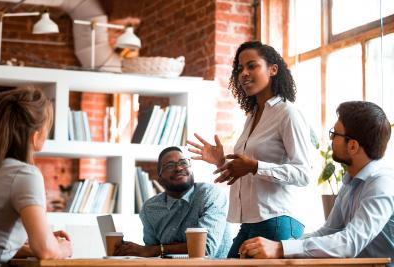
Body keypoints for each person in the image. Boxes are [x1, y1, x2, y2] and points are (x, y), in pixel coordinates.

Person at [187, 41, 313, 258]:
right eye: (239, 69)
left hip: (278, 220)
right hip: (251, 222)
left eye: (252, 66)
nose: (244, 73)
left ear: (273, 69)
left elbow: (303, 174)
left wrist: (254, 166)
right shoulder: (253, 116)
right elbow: (248, 169)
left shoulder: (287, 114)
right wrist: (221, 162)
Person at [239, 101, 393, 261]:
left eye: (335, 134)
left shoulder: (382, 183)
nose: (331, 138)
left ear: (353, 146)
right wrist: (278, 246)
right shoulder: (351, 182)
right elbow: (328, 232)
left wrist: (280, 248)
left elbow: (349, 242)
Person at [0, 87, 73, 262]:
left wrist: (39, 241)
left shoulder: (1, 169)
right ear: (36, 136)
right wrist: (60, 247)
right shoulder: (24, 174)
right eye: (47, 127)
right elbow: (46, 252)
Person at [114, 146, 232, 258]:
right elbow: (150, 254)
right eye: (170, 166)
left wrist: (155, 250)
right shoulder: (150, 208)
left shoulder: (210, 195)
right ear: (159, 179)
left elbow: (205, 249)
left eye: (184, 163)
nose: (179, 168)